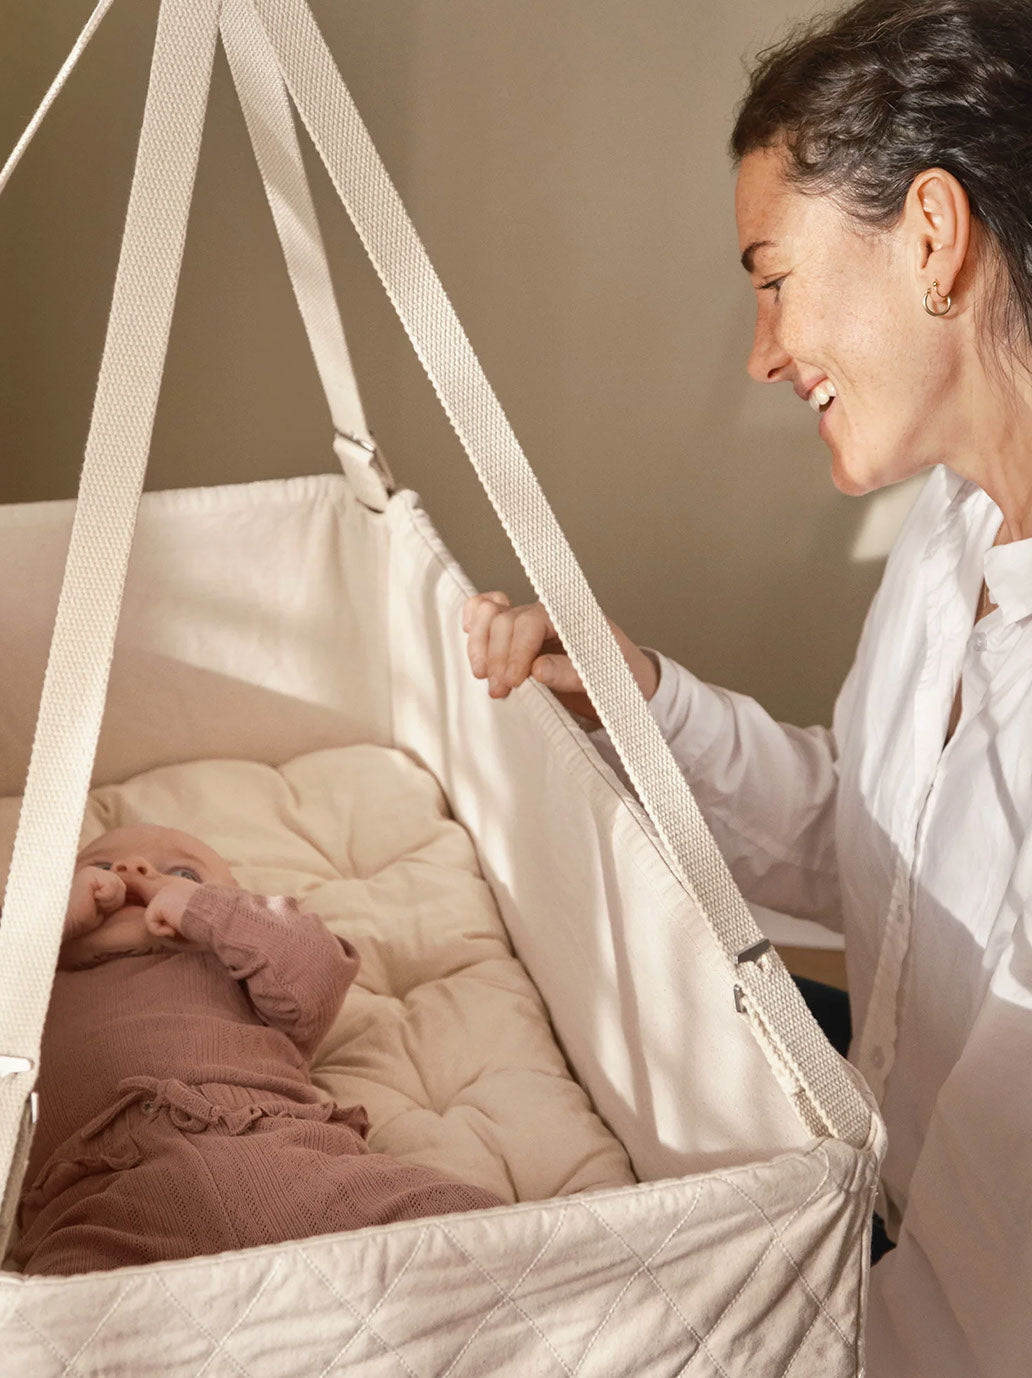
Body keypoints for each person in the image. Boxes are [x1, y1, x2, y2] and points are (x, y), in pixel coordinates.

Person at [463, 2, 1032, 1373]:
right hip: (875, 1203)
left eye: (773, 280)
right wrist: (639, 702)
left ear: (934, 236)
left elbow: (982, 1302)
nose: (762, 351)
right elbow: (874, 844)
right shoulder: (951, 526)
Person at [12, 824, 501, 1275]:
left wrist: (204, 910)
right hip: (104, 1197)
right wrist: (38, 927)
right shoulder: (31, 989)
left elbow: (317, 968)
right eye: (99, 868)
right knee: (48, 1317)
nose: (132, 869)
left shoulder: (236, 967)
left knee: (474, 1229)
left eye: (185, 874)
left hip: (285, 1153)